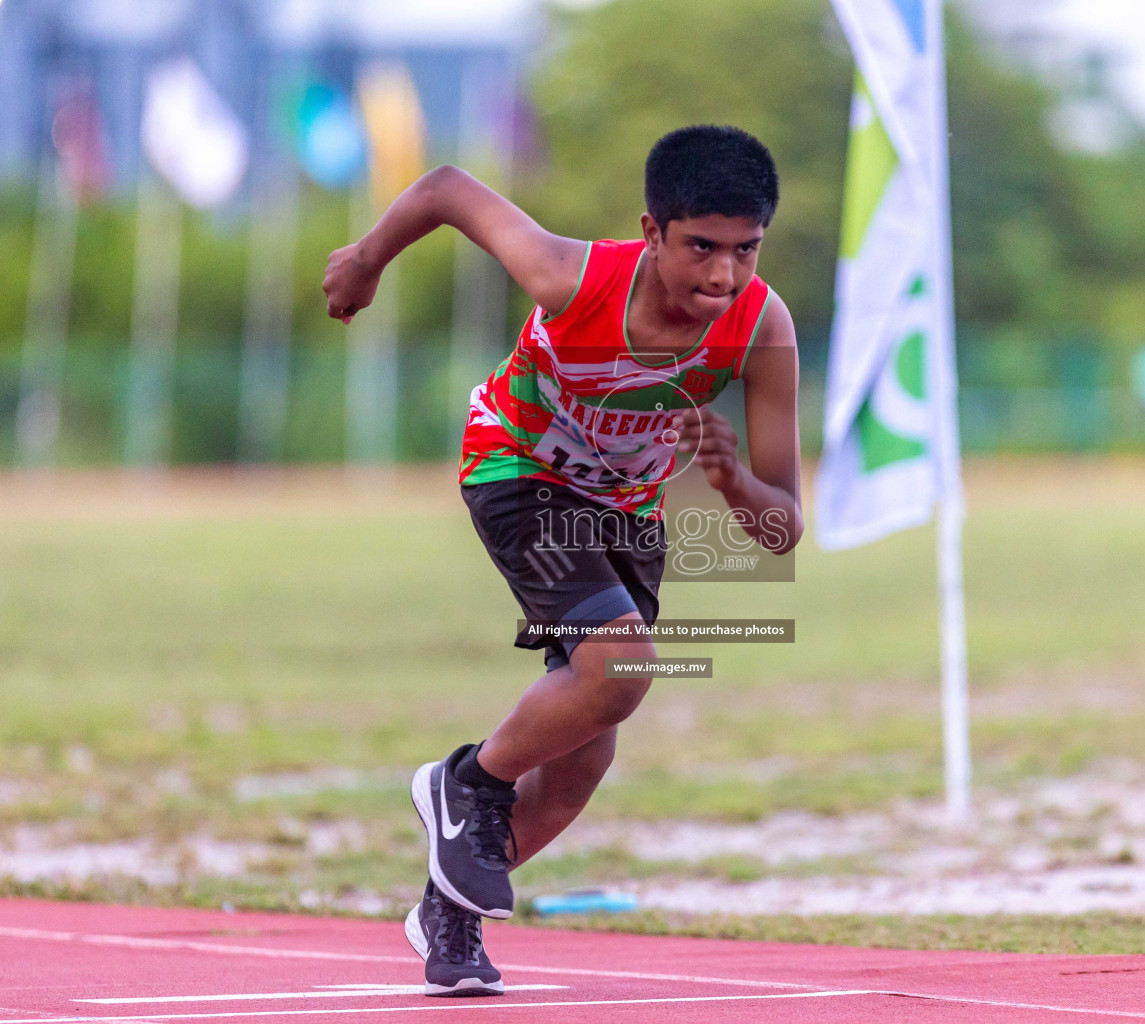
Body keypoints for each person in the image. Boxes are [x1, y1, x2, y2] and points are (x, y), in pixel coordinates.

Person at [321, 124, 803, 997]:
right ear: (652, 231)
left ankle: (449, 910)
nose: (721, 276)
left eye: (745, 251)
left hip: (625, 512)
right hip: (517, 468)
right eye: (700, 247)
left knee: (584, 756)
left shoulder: (761, 326)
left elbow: (784, 529)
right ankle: (463, 782)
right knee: (621, 667)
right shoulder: (570, 276)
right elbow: (444, 187)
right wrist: (366, 257)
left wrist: (732, 484)